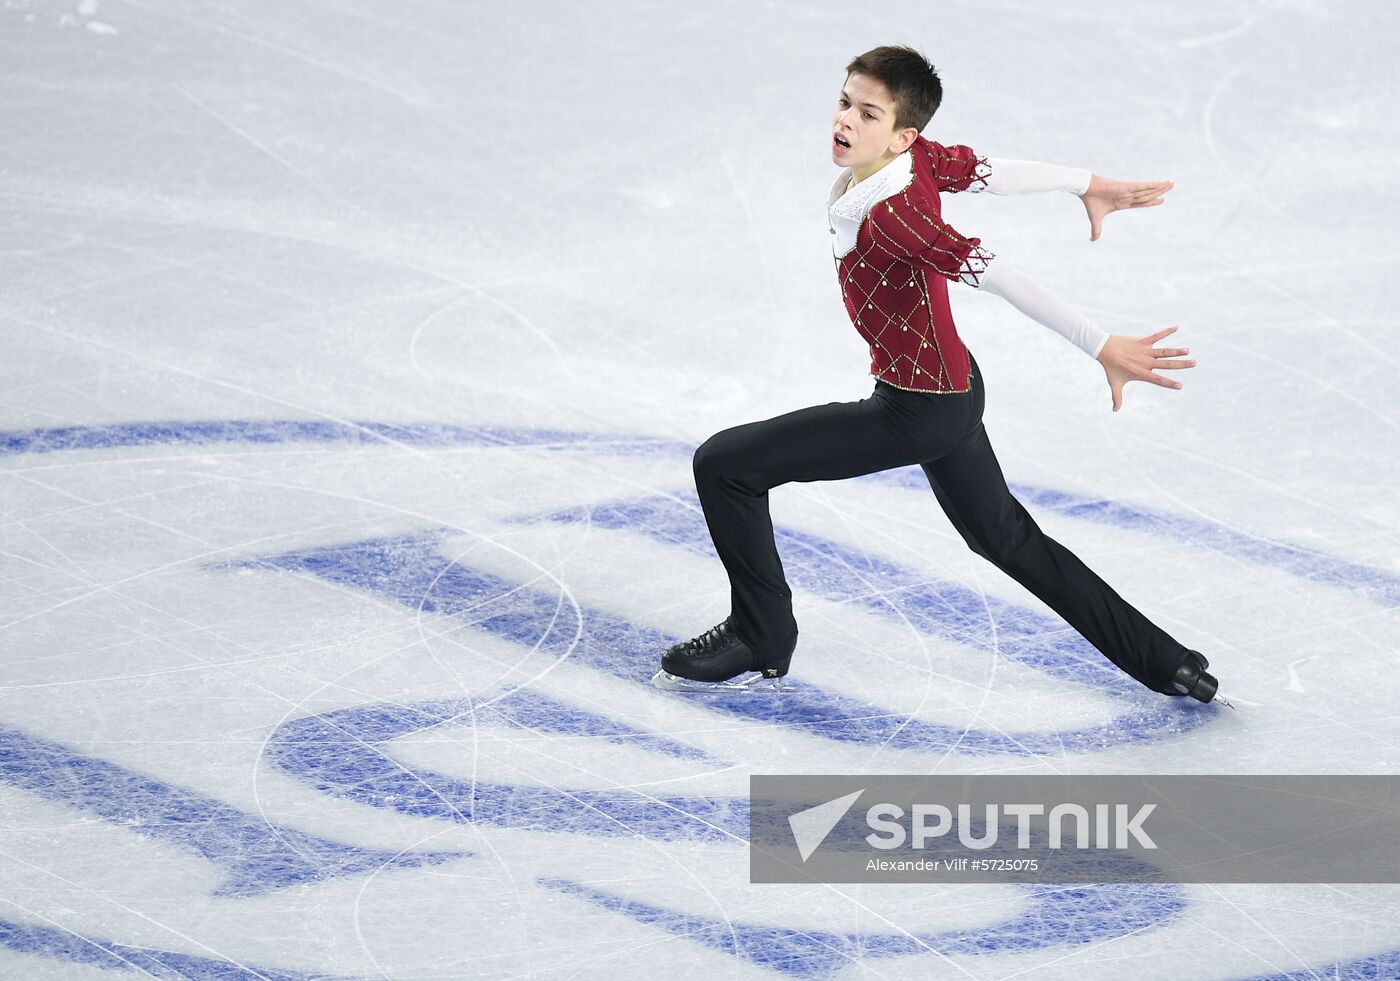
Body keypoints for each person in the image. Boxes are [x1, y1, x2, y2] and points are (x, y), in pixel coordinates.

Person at [653, 45, 1221, 705]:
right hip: (950, 391)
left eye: (868, 113)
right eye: (845, 103)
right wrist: (1085, 182)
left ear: (902, 134)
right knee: (1004, 537)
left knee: (724, 465)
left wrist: (1100, 345)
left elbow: (998, 273)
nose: (846, 121)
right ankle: (1169, 662)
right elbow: (990, 172)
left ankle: (760, 636)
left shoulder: (895, 216)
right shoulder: (912, 159)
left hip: (915, 410)